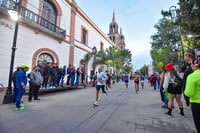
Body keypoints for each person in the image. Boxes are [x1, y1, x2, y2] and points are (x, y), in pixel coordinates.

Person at [185, 58, 200, 133]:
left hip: (197, 103)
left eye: (191, 64)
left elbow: (189, 93)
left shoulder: (192, 77)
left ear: (195, 65)